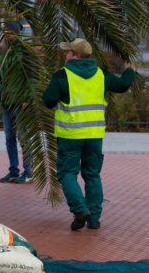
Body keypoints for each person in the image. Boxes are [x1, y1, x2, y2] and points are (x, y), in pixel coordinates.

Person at [43, 38, 135, 231]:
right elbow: (122, 85)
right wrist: (129, 69)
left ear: (75, 55)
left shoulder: (62, 75)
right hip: (94, 136)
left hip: (70, 136)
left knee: (68, 173)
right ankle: (94, 219)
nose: (65, 54)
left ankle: (80, 209)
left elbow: (48, 100)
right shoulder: (101, 75)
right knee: (92, 175)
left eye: (67, 52)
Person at [0, 21, 32, 183]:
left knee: (23, 137)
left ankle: (28, 171)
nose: (7, 35)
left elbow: (32, 79)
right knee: (9, 137)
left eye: (10, 32)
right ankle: (13, 170)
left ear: (18, 33)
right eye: (5, 32)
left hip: (20, 102)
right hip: (6, 102)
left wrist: (28, 99)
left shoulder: (25, 54)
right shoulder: (5, 54)